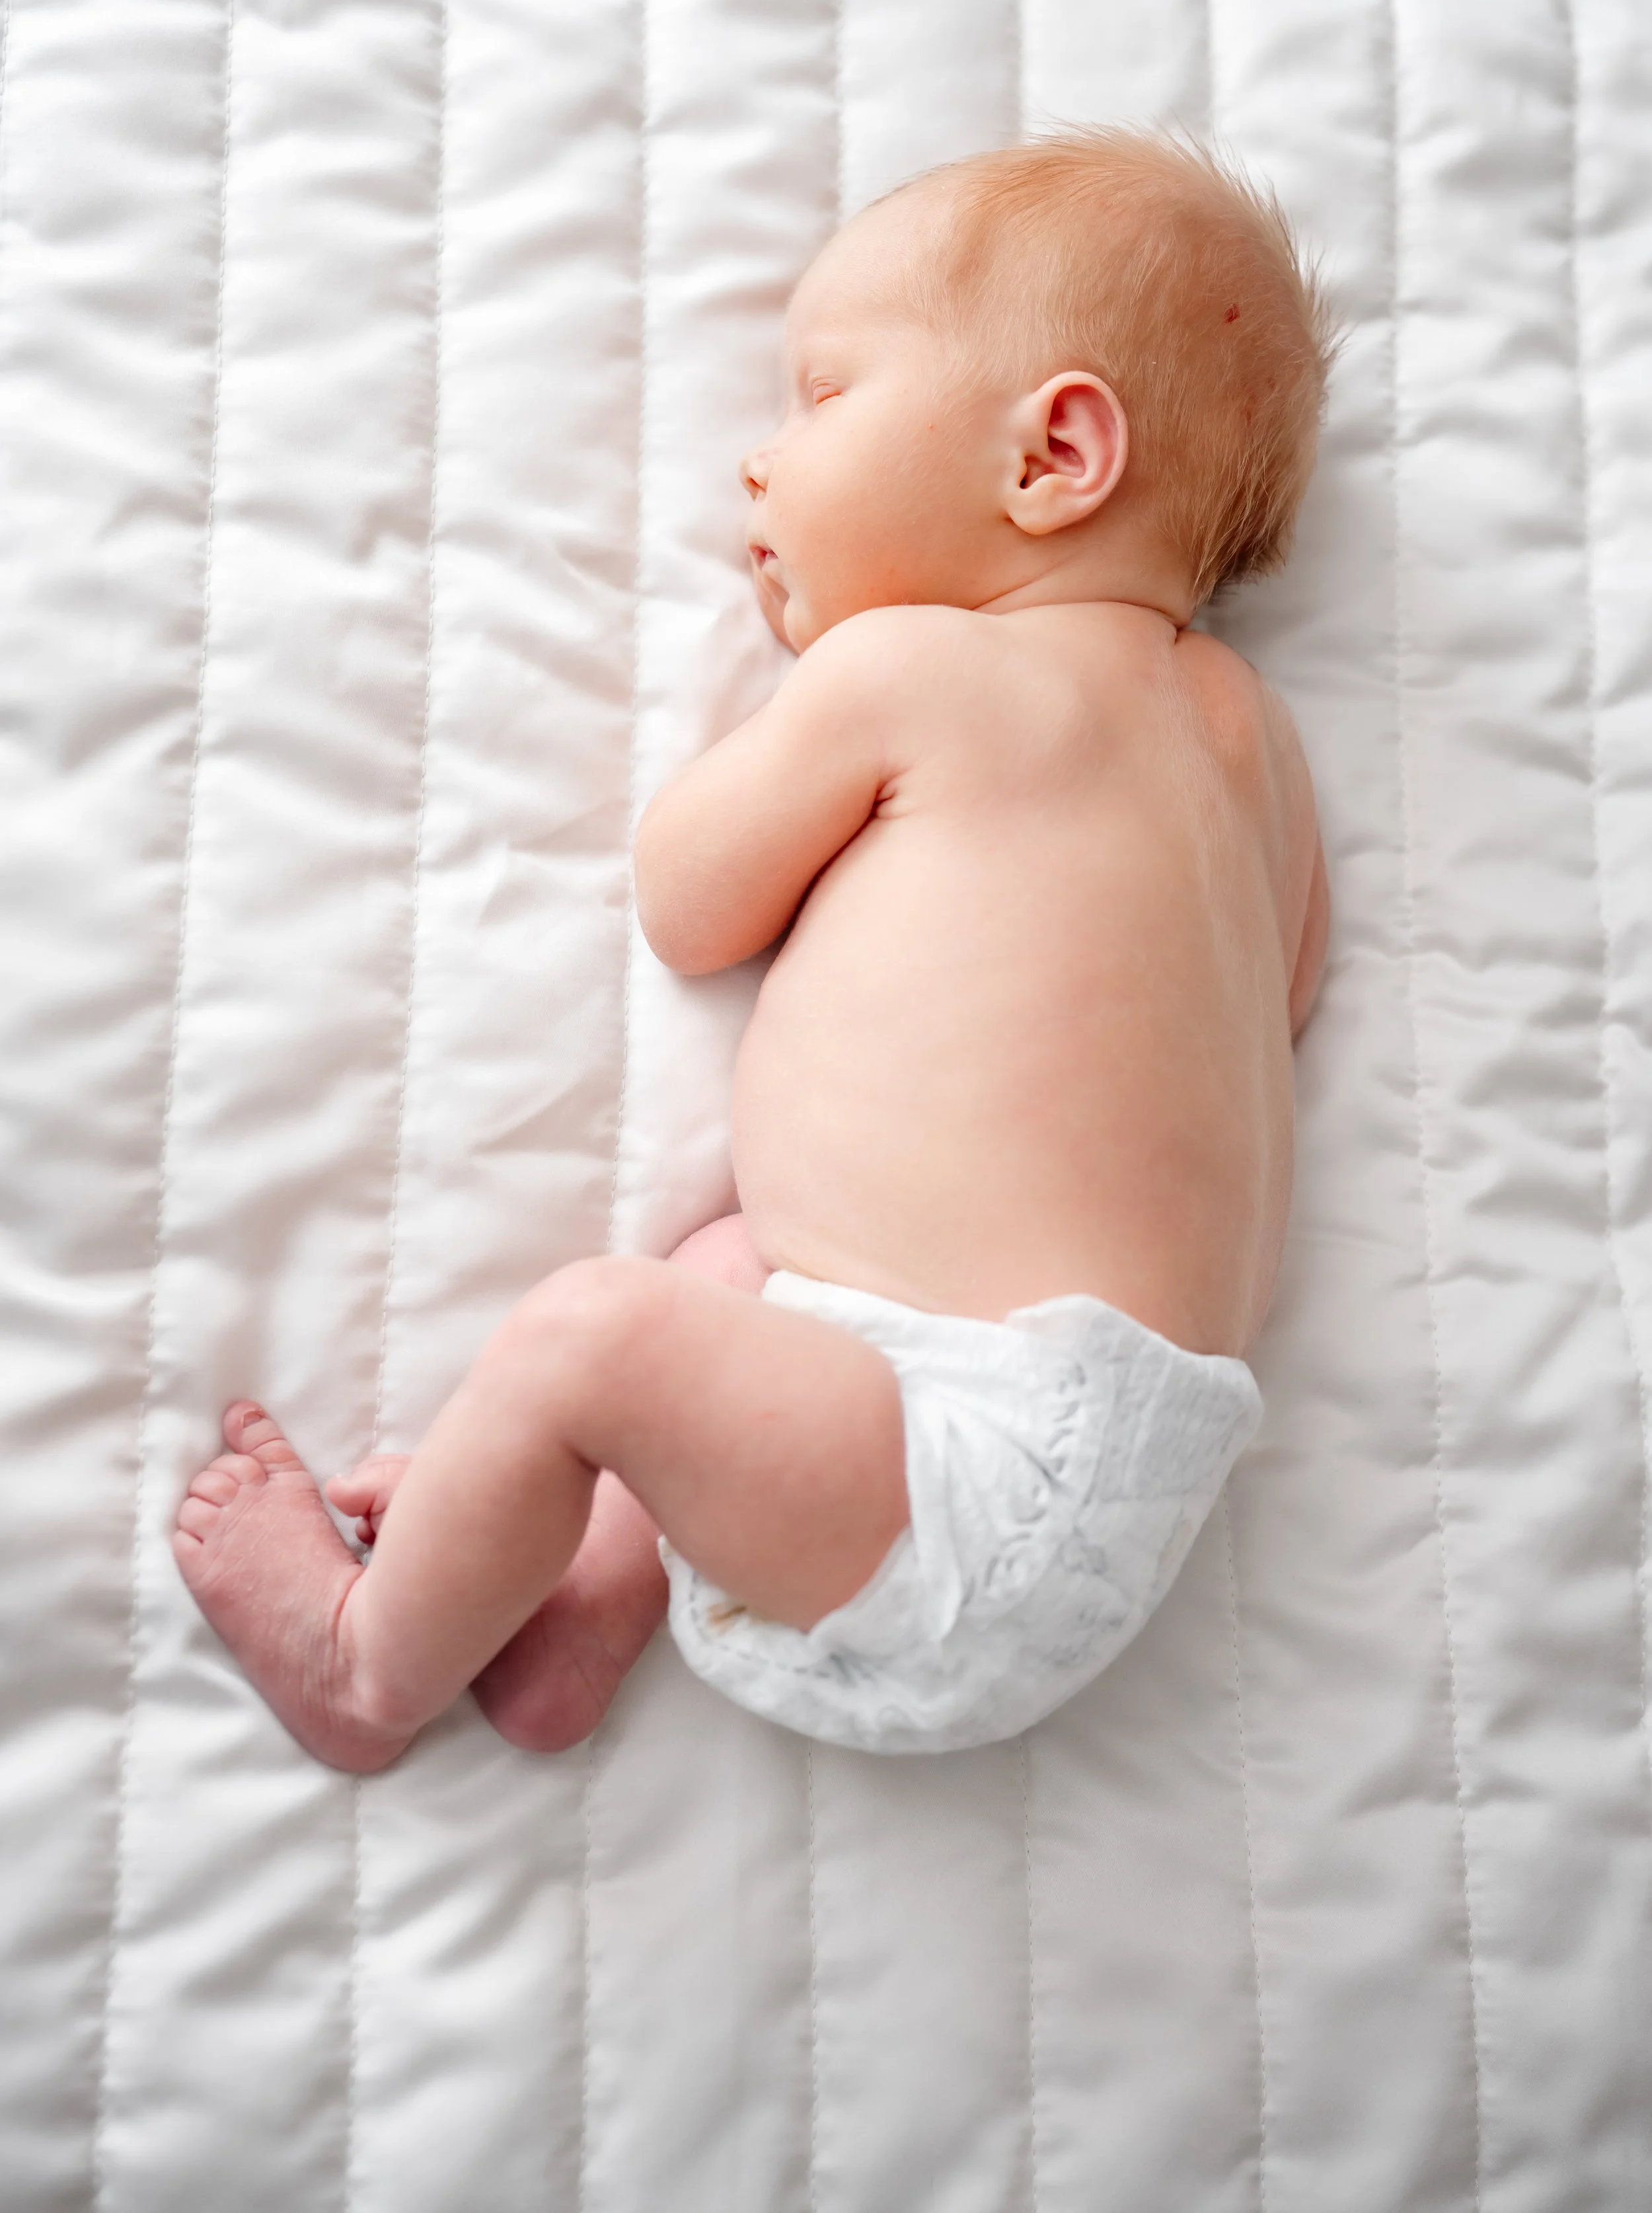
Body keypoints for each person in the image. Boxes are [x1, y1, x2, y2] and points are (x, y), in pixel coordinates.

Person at [174, 130, 1333, 1767]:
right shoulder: (1249, 738)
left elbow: (685, 900)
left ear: (1053, 455)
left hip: (966, 1468)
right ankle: (575, 1607)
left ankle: (366, 1669)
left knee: (598, 1328)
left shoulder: (907, 671)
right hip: (1116, 1465)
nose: (759, 462)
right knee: (723, 1276)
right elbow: (1277, 996)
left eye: (824, 395)